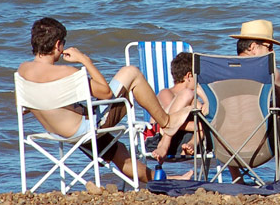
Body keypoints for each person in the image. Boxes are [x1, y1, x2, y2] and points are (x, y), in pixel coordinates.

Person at [17, 17, 192, 183]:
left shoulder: (23, 71)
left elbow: (24, 108)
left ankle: (166, 180)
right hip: (85, 130)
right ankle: (167, 122)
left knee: (118, 151)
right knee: (131, 73)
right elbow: (106, 93)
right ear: (58, 44)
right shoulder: (67, 73)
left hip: (59, 133)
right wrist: (85, 60)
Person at [229, 19, 280, 178]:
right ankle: (279, 176)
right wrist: (272, 82)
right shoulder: (269, 72)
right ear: (253, 47)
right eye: (269, 47)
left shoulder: (222, 71)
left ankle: (236, 178)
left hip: (225, 144)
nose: (272, 53)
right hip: (259, 144)